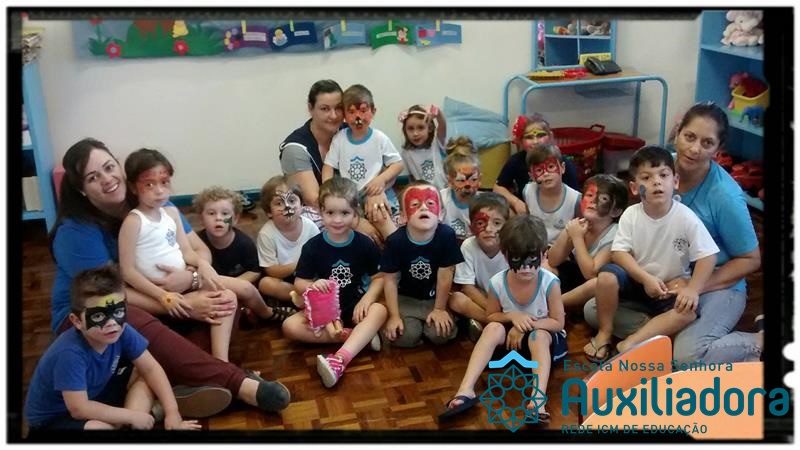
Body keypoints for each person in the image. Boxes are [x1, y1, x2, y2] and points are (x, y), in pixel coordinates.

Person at [50, 138, 290, 418]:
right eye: (93, 177)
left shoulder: (150, 199)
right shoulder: (75, 232)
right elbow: (112, 295)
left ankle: (176, 387)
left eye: (109, 167)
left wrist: (191, 279)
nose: (107, 179)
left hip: (160, 296)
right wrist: (181, 305)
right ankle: (238, 383)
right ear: (81, 189)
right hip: (97, 313)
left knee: (222, 301)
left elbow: (198, 249)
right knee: (132, 318)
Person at [584, 102, 763, 364]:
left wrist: (694, 287)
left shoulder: (725, 196)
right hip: (665, 281)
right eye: (689, 137)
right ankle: (667, 331)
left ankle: (758, 340)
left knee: (686, 357)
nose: (694, 148)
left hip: (717, 283)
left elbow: (751, 259)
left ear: (718, 149)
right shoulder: (660, 167)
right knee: (594, 309)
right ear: (677, 133)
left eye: (707, 143)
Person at [583, 146, 719, 363]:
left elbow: (708, 256)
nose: (657, 182)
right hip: (637, 281)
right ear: (634, 188)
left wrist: (693, 288)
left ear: (675, 181)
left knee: (688, 314)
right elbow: (619, 253)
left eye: (663, 175)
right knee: (604, 281)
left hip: (669, 289)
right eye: (647, 177)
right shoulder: (631, 214)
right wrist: (645, 278)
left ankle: (631, 341)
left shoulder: (685, 217)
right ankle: (606, 333)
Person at [25, 265, 201, 431]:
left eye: (118, 312)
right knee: (98, 428)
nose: (111, 323)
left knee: (143, 374)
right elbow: (79, 409)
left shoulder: (122, 330)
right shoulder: (70, 353)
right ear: (76, 321)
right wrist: (131, 415)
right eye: (98, 316)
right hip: (56, 419)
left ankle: (131, 424)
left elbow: (151, 368)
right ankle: (133, 419)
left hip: (97, 395)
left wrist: (173, 412)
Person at [439, 215, 566, 423]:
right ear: (506, 256)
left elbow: (558, 323)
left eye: (531, 259)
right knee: (492, 328)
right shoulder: (497, 282)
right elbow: (491, 316)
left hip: (544, 340)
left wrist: (525, 325)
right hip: (511, 343)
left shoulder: (550, 282)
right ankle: (465, 390)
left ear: (543, 255)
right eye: (518, 259)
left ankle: (538, 400)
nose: (525, 267)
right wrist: (512, 316)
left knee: (539, 337)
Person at [118, 148, 235, 362]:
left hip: (185, 285)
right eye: (149, 184)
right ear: (134, 187)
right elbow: (127, 272)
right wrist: (162, 296)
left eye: (164, 182)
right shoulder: (133, 222)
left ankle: (222, 362)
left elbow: (187, 251)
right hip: (157, 295)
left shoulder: (171, 213)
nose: (159, 191)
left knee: (228, 297)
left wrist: (203, 265)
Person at [282, 177, 387, 388]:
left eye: (344, 213)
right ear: (320, 212)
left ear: (355, 213)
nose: (337, 220)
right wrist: (313, 285)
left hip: (355, 307)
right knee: (289, 326)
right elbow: (300, 282)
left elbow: (379, 278)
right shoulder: (312, 247)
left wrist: (367, 300)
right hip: (325, 312)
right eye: (330, 213)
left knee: (380, 310)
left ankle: (339, 359)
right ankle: (357, 339)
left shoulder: (364, 244)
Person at [193, 186, 293, 326]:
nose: (219, 218)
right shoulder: (197, 242)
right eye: (211, 213)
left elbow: (255, 271)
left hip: (239, 284)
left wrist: (234, 284)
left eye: (225, 214)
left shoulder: (244, 243)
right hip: (212, 287)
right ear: (201, 219)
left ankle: (254, 310)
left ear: (235, 219)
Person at [380, 181, 464, 347]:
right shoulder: (395, 241)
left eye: (430, 203)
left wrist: (439, 309)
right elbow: (390, 281)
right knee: (405, 337)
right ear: (403, 216)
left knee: (440, 334)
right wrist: (394, 316)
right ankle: (416, 329)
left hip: (435, 298)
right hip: (406, 299)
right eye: (415, 204)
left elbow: (445, 275)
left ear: (441, 214)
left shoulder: (446, 236)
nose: (424, 208)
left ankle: (456, 320)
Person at [321, 83, 404, 241]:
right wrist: (328, 190)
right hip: (349, 197)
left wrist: (381, 179)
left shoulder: (379, 138)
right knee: (355, 231)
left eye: (363, 110)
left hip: (374, 193)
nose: (358, 117)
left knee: (380, 217)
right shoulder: (339, 139)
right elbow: (328, 166)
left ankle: (398, 248)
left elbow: (398, 164)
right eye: (352, 112)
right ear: (344, 115)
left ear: (373, 111)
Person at [545, 174, 627, 310]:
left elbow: (591, 274)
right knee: (546, 267)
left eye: (603, 198)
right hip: (575, 278)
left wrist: (577, 238)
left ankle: (554, 304)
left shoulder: (615, 234)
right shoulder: (579, 225)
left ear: (615, 211)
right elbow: (553, 260)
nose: (593, 201)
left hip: (596, 286)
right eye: (589, 195)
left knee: (596, 283)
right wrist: (568, 232)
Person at [448, 193, 510, 341]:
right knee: (456, 299)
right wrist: (492, 311)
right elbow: (467, 288)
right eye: (481, 223)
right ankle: (498, 323)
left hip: (508, 301)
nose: (488, 229)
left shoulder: (512, 246)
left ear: (507, 226)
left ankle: (487, 324)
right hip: (482, 299)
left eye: (496, 223)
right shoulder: (468, 246)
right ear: (471, 227)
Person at [494, 113, 579, 215]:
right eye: (529, 137)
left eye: (540, 135)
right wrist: (516, 203)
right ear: (521, 141)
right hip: (527, 211)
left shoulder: (561, 161)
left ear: (550, 136)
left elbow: (574, 198)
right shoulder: (516, 161)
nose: (535, 141)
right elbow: (498, 187)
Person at [255, 175, 320, 306]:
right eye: (279, 203)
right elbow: (271, 270)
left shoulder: (310, 226)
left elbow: (321, 255)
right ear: (269, 212)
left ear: (302, 205)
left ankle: (304, 300)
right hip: (284, 279)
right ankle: (305, 300)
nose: (287, 206)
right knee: (265, 284)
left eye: (292, 200)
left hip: (308, 278)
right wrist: (298, 264)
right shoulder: (266, 234)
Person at [523, 143, 582, 244]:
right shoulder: (528, 191)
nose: (546, 174)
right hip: (536, 246)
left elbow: (581, 232)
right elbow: (529, 219)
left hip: (563, 249)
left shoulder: (575, 199)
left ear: (562, 168)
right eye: (539, 170)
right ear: (531, 176)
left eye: (551, 167)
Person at [440, 137, 482, 241]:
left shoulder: (484, 203)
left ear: (480, 179)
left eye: (473, 179)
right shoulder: (441, 200)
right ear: (450, 181)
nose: (468, 185)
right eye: (461, 180)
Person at [398, 104, 448, 190]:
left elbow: (443, 126)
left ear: (430, 128)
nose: (415, 133)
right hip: (424, 194)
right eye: (410, 128)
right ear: (405, 131)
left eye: (420, 128)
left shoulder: (436, 143)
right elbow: (411, 178)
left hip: (445, 191)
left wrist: (438, 113)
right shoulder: (406, 153)